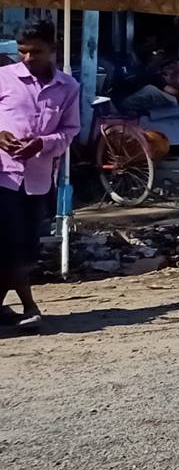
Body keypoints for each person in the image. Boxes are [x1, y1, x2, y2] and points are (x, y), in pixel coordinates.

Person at [0, 21, 79, 333]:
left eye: (36, 51)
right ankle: (30, 305)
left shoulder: (68, 88)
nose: (28, 58)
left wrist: (43, 143)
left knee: (23, 246)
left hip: (37, 178)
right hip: (3, 174)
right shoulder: (4, 78)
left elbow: (70, 131)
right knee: (10, 244)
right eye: (23, 51)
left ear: (52, 51)